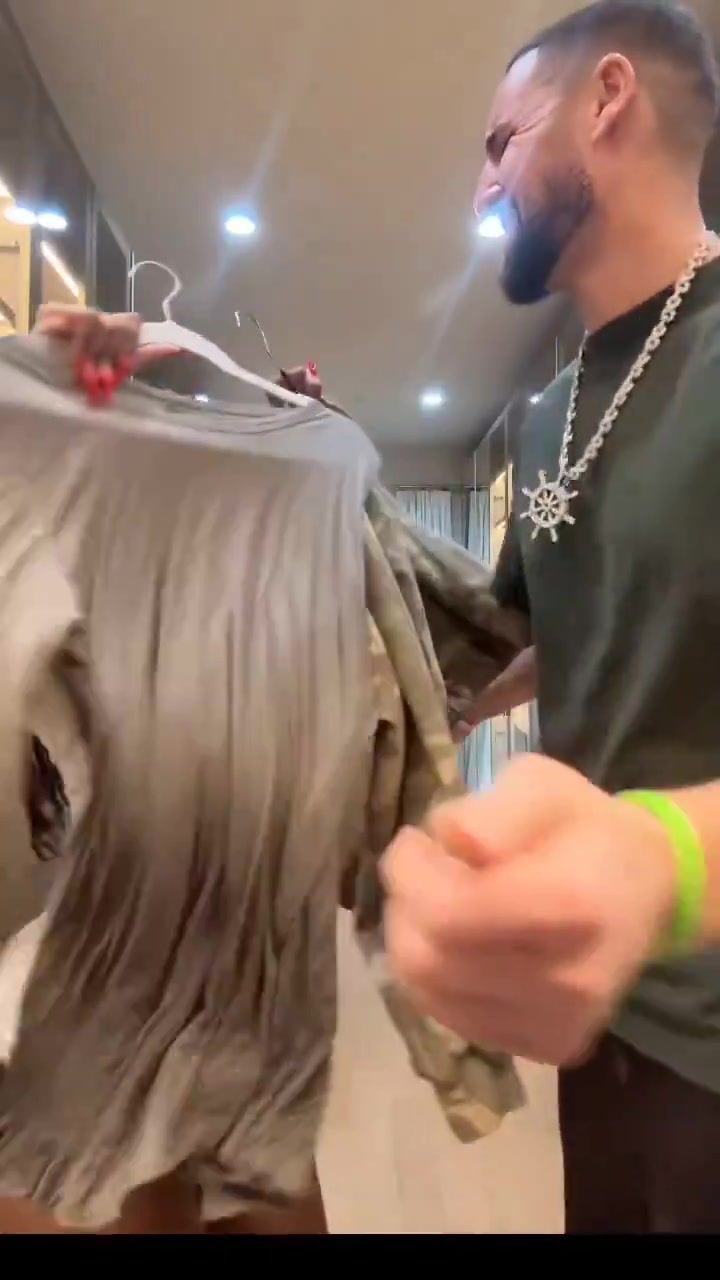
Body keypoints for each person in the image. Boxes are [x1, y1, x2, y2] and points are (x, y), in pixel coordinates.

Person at [384, 0, 720, 1234]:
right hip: (602, 1009)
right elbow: (539, 632)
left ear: (607, 99)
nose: (484, 191)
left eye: (500, 144)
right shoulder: (547, 415)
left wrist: (659, 860)